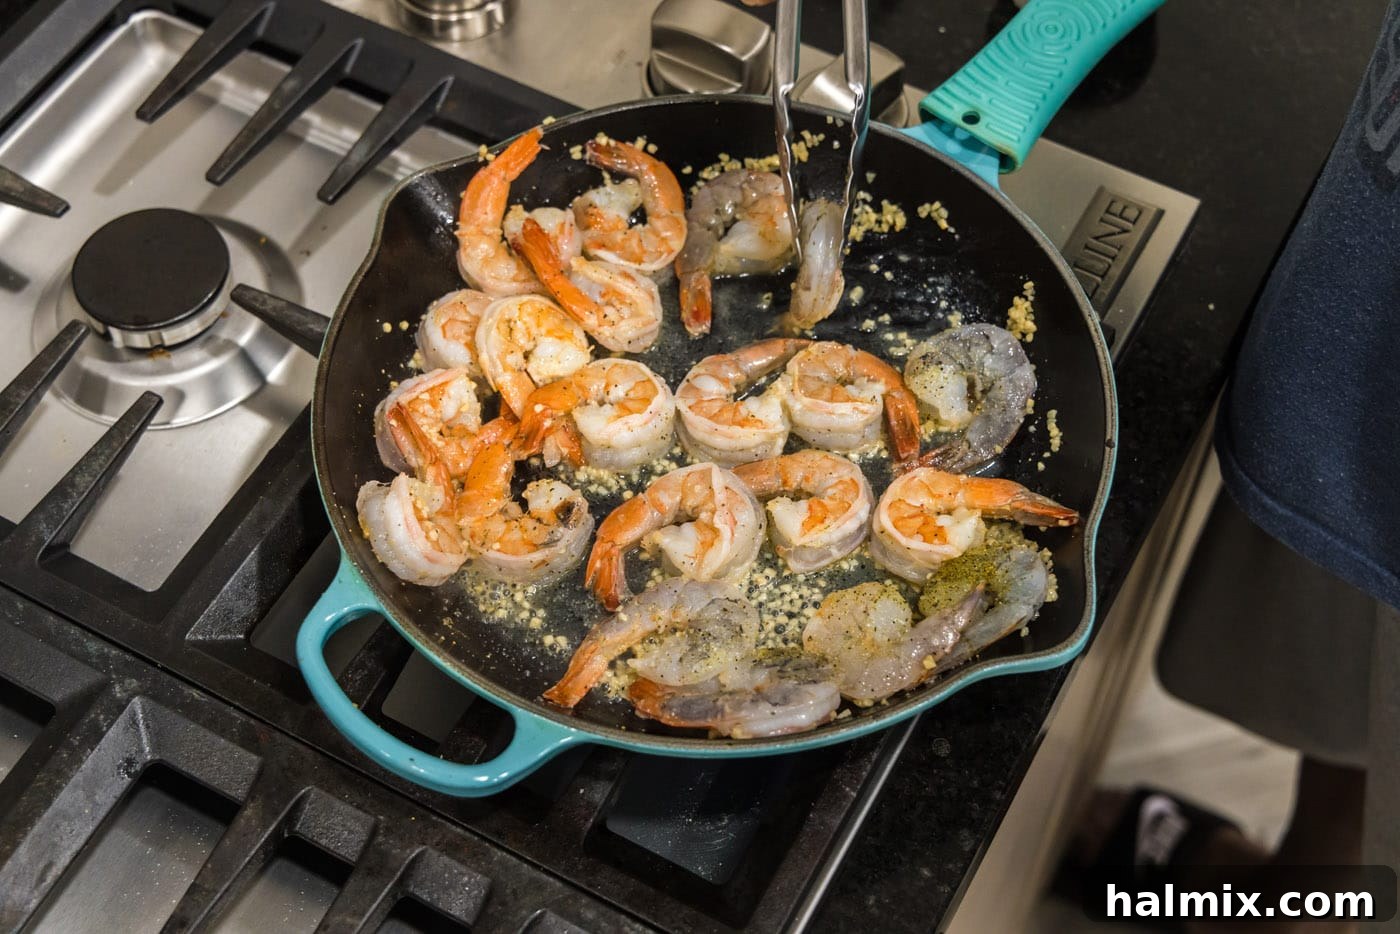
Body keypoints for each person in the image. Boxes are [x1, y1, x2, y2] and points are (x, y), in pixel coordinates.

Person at [1065, 3, 1400, 931]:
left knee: (1382, 853)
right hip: (1374, 351)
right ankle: (1284, 877)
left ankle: (1303, 900)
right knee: (1351, 722)